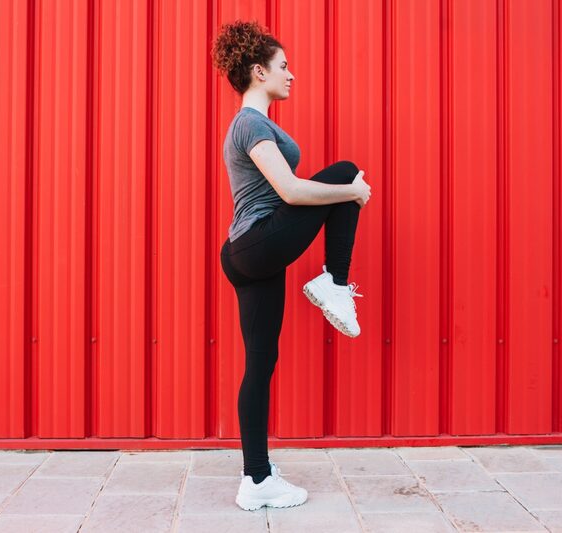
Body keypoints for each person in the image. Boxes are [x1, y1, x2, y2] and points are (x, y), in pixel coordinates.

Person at [211, 19, 371, 511]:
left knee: (261, 363)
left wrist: (343, 195)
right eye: (283, 66)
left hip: (250, 253)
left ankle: (256, 479)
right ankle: (334, 283)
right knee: (345, 172)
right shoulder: (251, 123)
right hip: (255, 244)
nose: (291, 74)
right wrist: (352, 192)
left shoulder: (254, 125)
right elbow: (292, 191)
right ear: (259, 72)